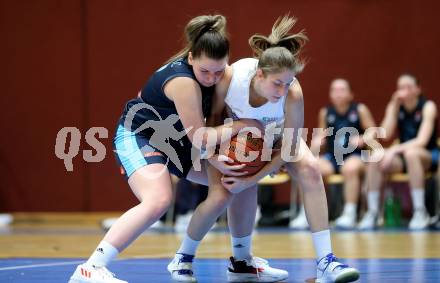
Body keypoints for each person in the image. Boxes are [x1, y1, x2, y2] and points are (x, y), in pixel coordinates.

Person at [68, 14, 263, 283]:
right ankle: (91, 267)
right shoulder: (183, 82)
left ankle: (242, 261)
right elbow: (200, 138)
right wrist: (244, 125)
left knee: (240, 180)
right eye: (205, 71)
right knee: (158, 200)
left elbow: (200, 135)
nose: (211, 77)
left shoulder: (219, 75)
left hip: (175, 141)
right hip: (139, 135)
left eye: (218, 71)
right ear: (192, 58)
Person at [169, 15, 360, 283]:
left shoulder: (293, 93)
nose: (282, 91)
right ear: (260, 73)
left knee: (310, 169)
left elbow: (291, 145)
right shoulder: (231, 78)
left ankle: (326, 262)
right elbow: (211, 122)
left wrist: (255, 175)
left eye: (288, 83)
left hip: (278, 138)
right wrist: (215, 158)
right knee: (223, 194)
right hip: (237, 138)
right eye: (277, 83)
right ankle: (223, 260)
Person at [290, 78, 376, 229]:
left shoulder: (359, 109)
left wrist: (363, 138)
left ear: (350, 94)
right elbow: (322, 133)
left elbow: (374, 131)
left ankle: (350, 213)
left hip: (355, 156)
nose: (338, 94)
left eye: (342, 90)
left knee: (349, 168)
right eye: (334, 90)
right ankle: (307, 214)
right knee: (309, 169)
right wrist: (318, 141)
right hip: (332, 157)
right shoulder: (326, 112)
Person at [358, 73, 439, 230]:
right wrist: (393, 107)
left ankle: (420, 211)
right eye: (401, 87)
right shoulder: (396, 106)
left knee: (412, 154)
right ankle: (373, 212)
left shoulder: (428, 106)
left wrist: (394, 150)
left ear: (417, 89)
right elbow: (386, 134)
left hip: (428, 155)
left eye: (408, 87)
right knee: (376, 156)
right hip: (404, 156)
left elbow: (421, 141)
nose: (404, 90)